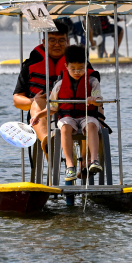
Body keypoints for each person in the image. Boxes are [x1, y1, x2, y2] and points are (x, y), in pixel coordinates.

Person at [12, 20, 72, 149]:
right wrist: (33, 100)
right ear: (44, 42)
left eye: (61, 41)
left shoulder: (80, 64)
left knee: (92, 113)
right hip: (41, 113)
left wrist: (95, 98)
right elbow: (17, 100)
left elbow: (95, 87)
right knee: (37, 104)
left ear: (68, 43)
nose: (57, 45)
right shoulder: (30, 65)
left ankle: (86, 164)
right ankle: (47, 143)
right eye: (52, 40)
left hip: (73, 110)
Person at [53, 44, 104, 183]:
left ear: (86, 65)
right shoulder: (59, 84)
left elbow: (99, 101)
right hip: (67, 117)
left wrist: (94, 100)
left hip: (86, 116)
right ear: (66, 66)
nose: (77, 72)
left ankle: (94, 161)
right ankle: (70, 165)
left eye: (81, 68)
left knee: (92, 125)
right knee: (65, 128)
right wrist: (38, 116)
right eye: (73, 69)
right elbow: (53, 106)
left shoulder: (93, 82)